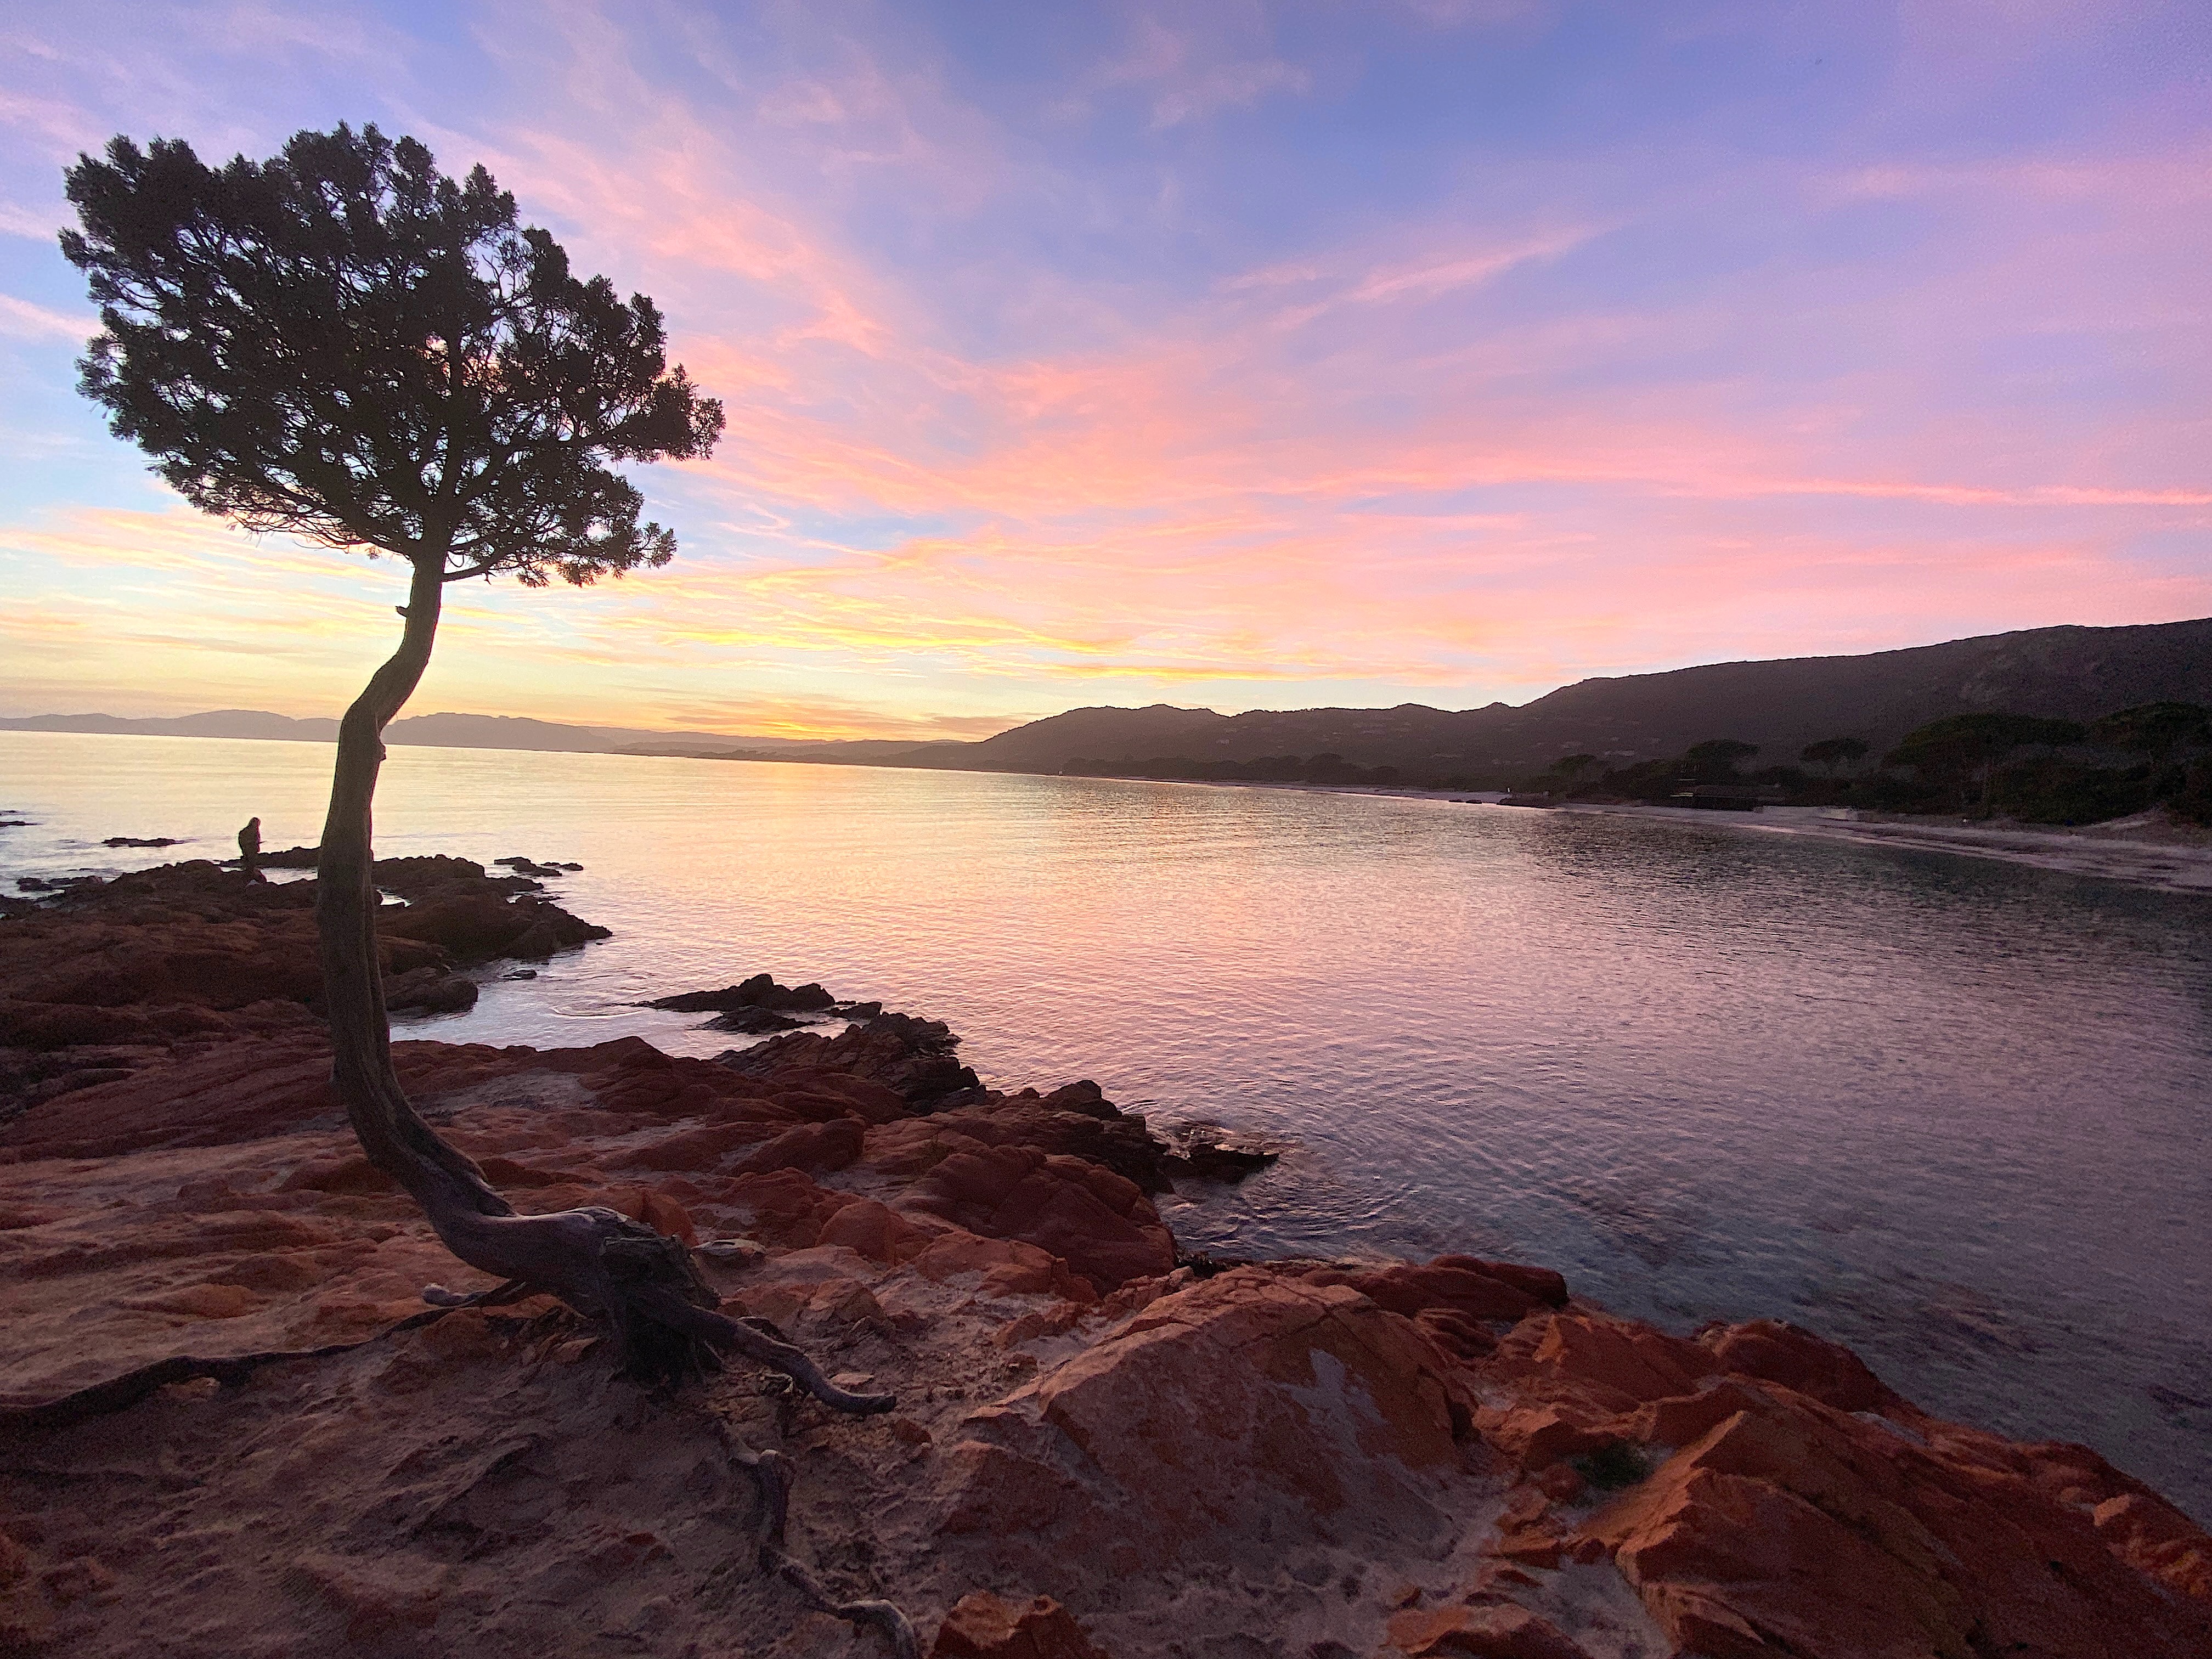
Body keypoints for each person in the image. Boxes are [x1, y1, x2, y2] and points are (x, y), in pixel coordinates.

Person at [238, 815, 263, 883]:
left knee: (250, 862)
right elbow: (255, 840)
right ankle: (249, 875)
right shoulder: (249, 831)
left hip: (249, 848)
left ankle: (248, 874)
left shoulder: (247, 831)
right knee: (251, 862)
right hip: (249, 848)